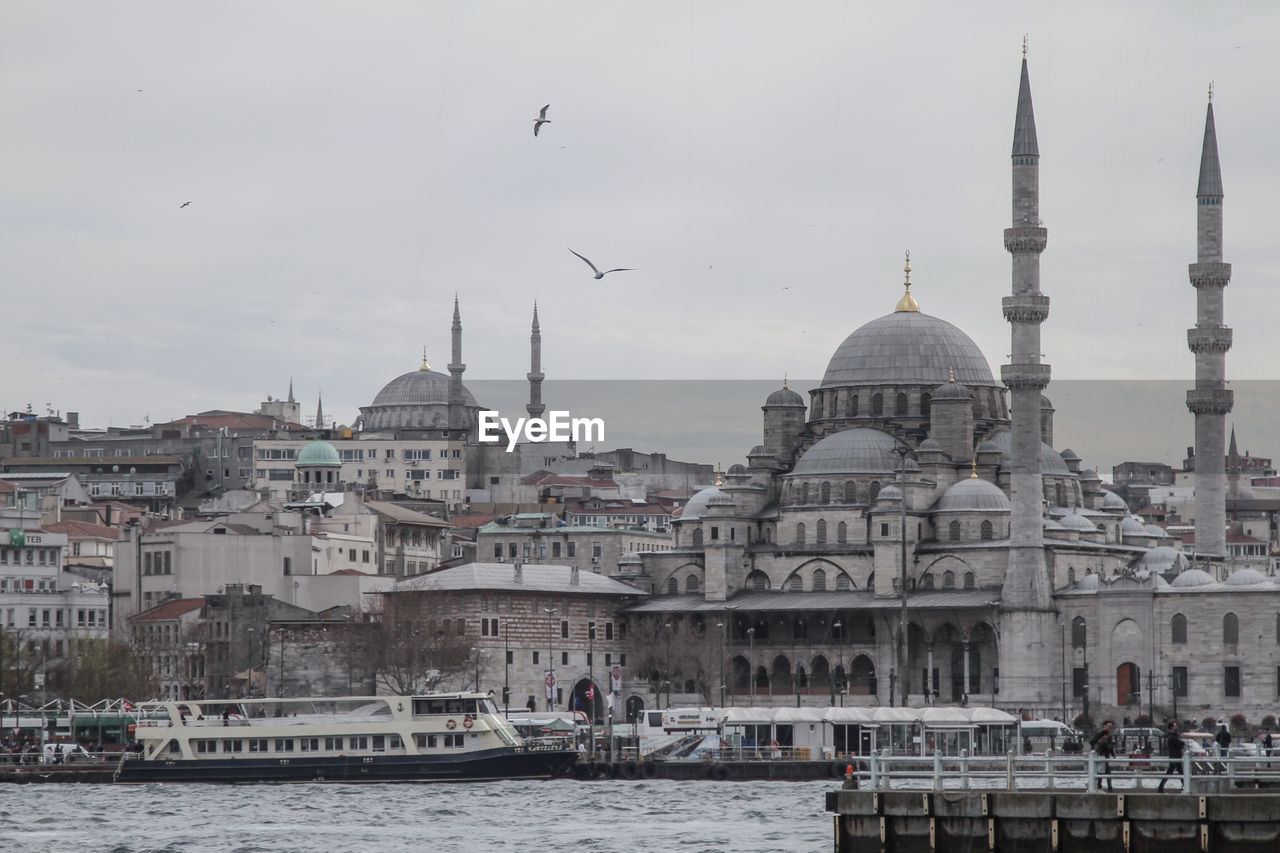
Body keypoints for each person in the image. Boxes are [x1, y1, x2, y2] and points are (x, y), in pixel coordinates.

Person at [1157, 720, 1184, 792]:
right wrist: (1181, 744)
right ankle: (1185, 786)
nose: (1176, 727)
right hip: (1175, 756)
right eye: (1175, 726)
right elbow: (1180, 744)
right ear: (1172, 727)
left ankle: (1160, 788)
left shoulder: (1171, 736)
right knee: (1180, 772)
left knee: (1172, 772)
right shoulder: (1172, 737)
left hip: (1174, 756)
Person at [1090, 721, 1115, 792]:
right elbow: (1092, 742)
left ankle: (1099, 785)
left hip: (1105, 756)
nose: (1110, 728)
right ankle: (1108, 787)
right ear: (1104, 726)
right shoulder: (1100, 735)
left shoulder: (1109, 736)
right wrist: (1096, 748)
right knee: (1106, 771)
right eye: (1109, 726)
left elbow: (1110, 747)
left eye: (1111, 727)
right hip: (1101, 756)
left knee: (1101, 771)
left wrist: (1112, 754)